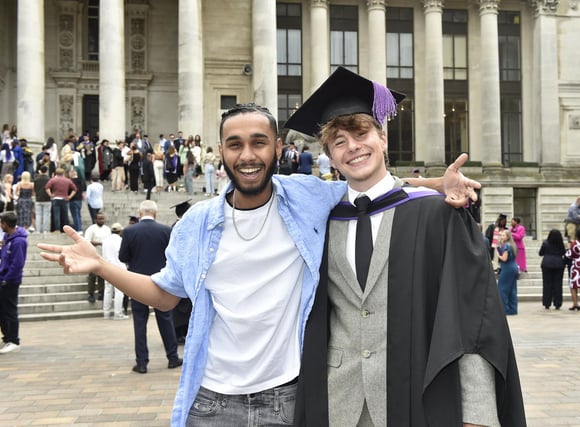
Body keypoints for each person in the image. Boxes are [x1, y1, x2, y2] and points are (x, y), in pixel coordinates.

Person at [37, 102, 480, 425]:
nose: (247, 155)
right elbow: (166, 296)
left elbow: (374, 186)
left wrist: (437, 184)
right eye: (235, 144)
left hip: (286, 401)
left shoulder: (307, 197)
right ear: (221, 152)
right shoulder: (198, 222)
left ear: (277, 150)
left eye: (258, 143)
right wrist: (101, 267)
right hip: (210, 401)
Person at [284, 67, 524, 426]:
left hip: (417, 396)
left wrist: (477, 414)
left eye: (361, 133)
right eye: (339, 142)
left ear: (382, 136)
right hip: (336, 402)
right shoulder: (319, 220)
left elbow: (473, 316)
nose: (353, 147)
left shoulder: (436, 215)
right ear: (330, 157)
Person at [119, 200, 182, 374]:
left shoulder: (130, 231)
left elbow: (122, 256)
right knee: (165, 319)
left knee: (139, 322)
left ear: (140, 214)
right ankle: (172, 357)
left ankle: (141, 362)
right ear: (155, 214)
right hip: (161, 281)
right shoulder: (166, 231)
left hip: (137, 282)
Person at [0, 212, 28, 354]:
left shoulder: (19, 241)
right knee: (2, 310)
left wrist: (7, 279)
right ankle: (7, 337)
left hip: (10, 281)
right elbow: (4, 254)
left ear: (5, 223)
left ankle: (14, 340)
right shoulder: (7, 237)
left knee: (10, 310)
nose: (0, 225)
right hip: (3, 277)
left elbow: (17, 264)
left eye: (1, 222)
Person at [170, 200, 193, 344]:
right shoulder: (178, 227)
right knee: (180, 305)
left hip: (185, 270)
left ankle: (182, 332)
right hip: (181, 271)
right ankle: (179, 333)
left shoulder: (180, 225)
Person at [101, 222, 129, 320]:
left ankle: (106, 313)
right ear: (120, 231)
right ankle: (118, 314)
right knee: (119, 292)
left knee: (108, 291)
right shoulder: (121, 240)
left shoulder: (105, 241)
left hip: (107, 267)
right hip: (118, 268)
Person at [84, 212, 110, 303]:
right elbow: (86, 241)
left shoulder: (107, 229)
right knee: (92, 276)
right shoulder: (91, 229)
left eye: (103, 218)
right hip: (93, 256)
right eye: (100, 219)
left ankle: (101, 293)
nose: (102, 220)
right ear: (96, 220)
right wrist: (98, 243)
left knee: (102, 276)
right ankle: (91, 294)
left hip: (104, 256)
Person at [538, 229, 566, 310]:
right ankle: (558, 303)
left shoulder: (545, 243)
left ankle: (547, 303)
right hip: (559, 263)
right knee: (558, 284)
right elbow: (563, 252)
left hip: (547, 263)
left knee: (547, 284)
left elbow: (541, 253)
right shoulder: (560, 244)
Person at [44, 168, 77, 232]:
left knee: (56, 215)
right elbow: (74, 189)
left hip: (56, 198)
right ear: (63, 173)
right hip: (64, 199)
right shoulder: (67, 180)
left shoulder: (53, 180)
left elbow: (47, 187)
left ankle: (57, 229)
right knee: (65, 215)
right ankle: (66, 229)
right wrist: (70, 196)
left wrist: (50, 194)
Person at [496, 229, 519, 315]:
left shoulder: (506, 246)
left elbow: (504, 258)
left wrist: (498, 255)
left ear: (507, 237)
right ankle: (513, 309)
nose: (501, 237)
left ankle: (504, 309)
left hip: (507, 268)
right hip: (513, 267)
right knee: (512, 289)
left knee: (502, 289)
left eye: (503, 235)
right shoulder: (513, 245)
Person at [33, 165, 51, 233]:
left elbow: (34, 189)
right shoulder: (48, 179)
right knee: (46, 215)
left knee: (38, 215)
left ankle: (38, 230)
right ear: (46, 171)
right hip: (47, 198)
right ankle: (45, 230)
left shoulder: (36, 179)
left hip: (38, 198)